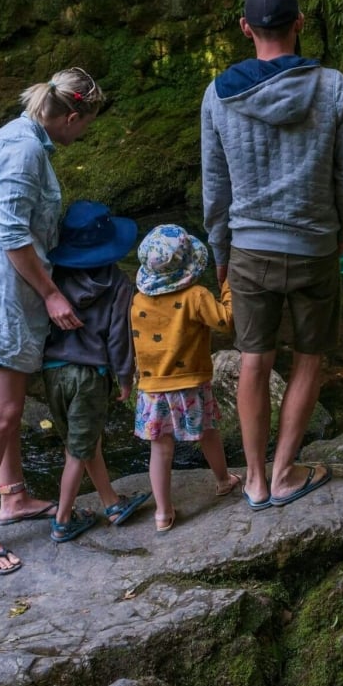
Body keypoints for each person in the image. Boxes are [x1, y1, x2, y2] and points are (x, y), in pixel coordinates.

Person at [200, 0, 343, 510]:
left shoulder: (218, 95)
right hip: (316, 244)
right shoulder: (333, 87)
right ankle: (286, 471)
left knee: (253, 359)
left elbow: (215, 184)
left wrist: (219, 252)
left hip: (249, 248)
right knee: (310, 359)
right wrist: (341, 234)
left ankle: (253, 479)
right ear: (299, 23)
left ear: (246, 28)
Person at [0, 68, 104, 575]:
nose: (83, 135)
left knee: (9, 409)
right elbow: (11, 234)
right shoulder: (26, 150)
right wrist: (53, 294)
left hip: (6, 297)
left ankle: (12, 496)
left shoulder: (18, 136)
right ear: (72, 117)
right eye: (85, 126)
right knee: (1, 415)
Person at [43, 200, 151, 542]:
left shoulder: (53, 279)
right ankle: (62, 520)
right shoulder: (119, 284)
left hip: (52, 371)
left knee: (84, 441)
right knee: (80, 448)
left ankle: (111, 503)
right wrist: (125, 377)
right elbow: (120, 337)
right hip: (90, 376)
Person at [132, 224, 239, 532]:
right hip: (190, 385)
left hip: (152, 389)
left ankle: (163, 514)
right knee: (208, 432)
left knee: (160, 449)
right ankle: (223, 480)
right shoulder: (196, 295)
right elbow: (225, 322)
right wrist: (229, 287)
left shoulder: (138, 300)